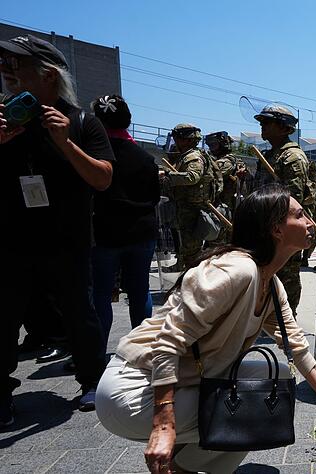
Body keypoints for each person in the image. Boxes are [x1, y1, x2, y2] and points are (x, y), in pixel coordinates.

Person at [96, 185, 316, 473]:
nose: (309, 222)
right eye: (299, 215)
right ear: (276, 230)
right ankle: (182, 463)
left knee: (276, 379)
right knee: (249, 409)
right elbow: (168, 341)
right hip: (132, 388)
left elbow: (297, 348)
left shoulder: (271, 284)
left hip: (183, 380)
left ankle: (185, 466)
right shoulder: (237, 270)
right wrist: (164, 425)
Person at [1, 35, 114, 423]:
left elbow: (102, 178)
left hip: (68, 239)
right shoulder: (4, 119)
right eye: (5, 65)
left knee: (79, 312)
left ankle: (92, 380)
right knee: (4, 315)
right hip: (13, 240)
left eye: (17, 66)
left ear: (48, 74)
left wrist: (67, 144)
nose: (7, 72)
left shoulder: (82, 121)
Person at [89, 95, 161, 342]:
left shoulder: (91, 157)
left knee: (100, 292)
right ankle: (141, 347)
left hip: (105, 233)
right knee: (140, 291)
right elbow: (154, 197)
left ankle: (96, 352)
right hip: (141, 231)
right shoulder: (146, 158)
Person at [253, 105, 315, 316]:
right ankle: (267, 314)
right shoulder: (271, 154)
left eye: (267, 122)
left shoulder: (292, 157)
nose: (262, 126)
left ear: (283, 127)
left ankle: (286, 318)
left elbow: (293, 198)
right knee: (266, 270)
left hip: (284, 226)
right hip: (266, 222)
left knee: (286, 273)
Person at [160, 123, 218, 272]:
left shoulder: (193, 157)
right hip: (185, 209)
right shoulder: (185, 156)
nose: (175, 141)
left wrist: (168, 175)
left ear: (187, 140)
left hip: (191, 210)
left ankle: (195, 282)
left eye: (177, 138)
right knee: (187, 249)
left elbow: (193, 177)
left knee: (192, 252)